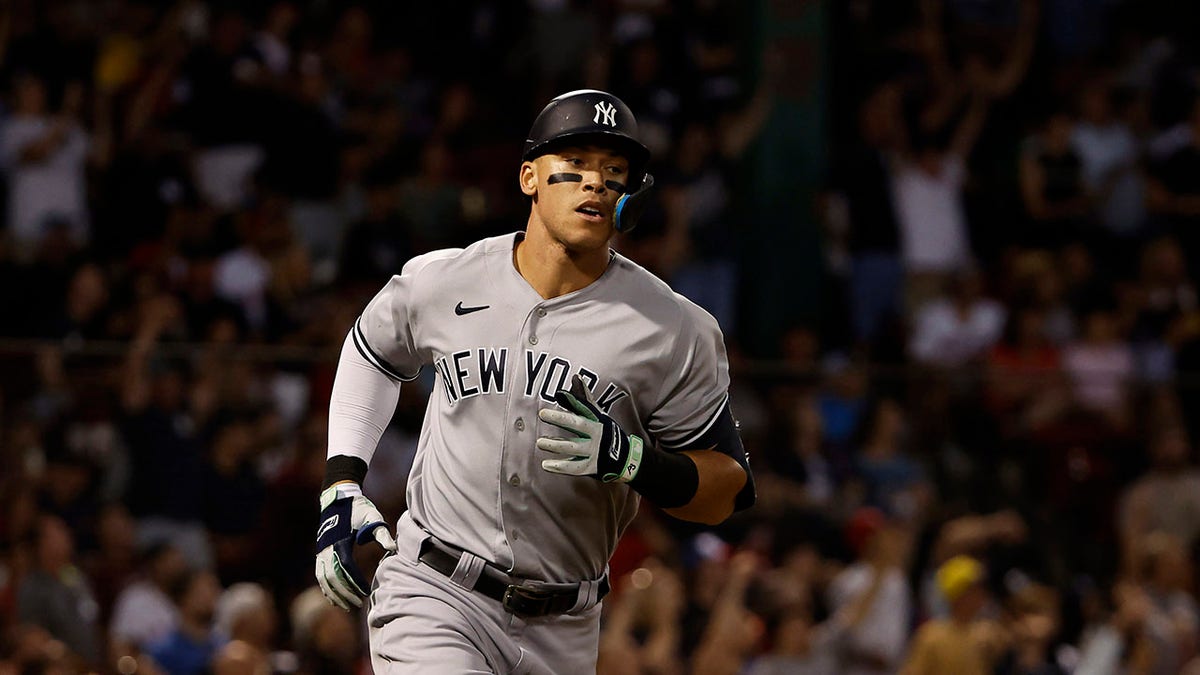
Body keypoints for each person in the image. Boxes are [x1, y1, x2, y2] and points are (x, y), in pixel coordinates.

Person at [312, 89, 756, 674]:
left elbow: (726, 491)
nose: (595, 182)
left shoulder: (674, 327)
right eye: (574, 165)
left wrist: (635, 461)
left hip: (567, 626)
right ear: (529, 178)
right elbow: (372, 352)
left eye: (614, 171)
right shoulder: (447, 279)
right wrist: (342, 482)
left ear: (632, 199)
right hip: (436, 593)